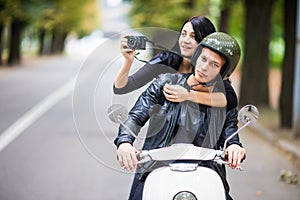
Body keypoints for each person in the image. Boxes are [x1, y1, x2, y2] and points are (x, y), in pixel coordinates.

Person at [114, 32, 245, 200]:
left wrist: (234, 147)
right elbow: (135, 116)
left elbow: (231, 133)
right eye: (203, 59)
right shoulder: (164, 83)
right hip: (157, 169)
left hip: (205, 172)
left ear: (223, 72)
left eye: (214, 64)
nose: (204, 67)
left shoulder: (224, 101)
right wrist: (124, 142)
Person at [113, 16, 237, 110]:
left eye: (193, 36)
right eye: (183, 34)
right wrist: (128, 61)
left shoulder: (209, 68)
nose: (186, 41)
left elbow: (230, 99)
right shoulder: (166, 60)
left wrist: (188, 95)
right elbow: (121, 88)